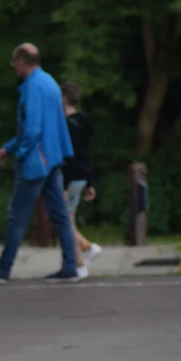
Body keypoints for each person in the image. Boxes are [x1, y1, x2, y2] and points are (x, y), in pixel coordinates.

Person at [0, 43, 81, 284]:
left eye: (15, 61)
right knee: (60, 215)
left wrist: (18, 152)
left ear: (23, 61)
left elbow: (31, 129)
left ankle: (3, 268)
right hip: (53, 158)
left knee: (17, 216)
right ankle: (70, 266)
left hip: (36, 161)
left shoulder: (32, 87)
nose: (13, 66)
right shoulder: (51, 83)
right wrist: (8, 147)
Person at [61, 81, 101, 278]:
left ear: (64, 98)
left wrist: (62, 184)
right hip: (81, 177)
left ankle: (86, 247)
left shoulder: (68, 125)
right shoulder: (83, 122)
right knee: (69, 220)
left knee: (64, 221)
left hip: (71, 177)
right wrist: (90, 182)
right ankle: (79, 265)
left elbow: (69, 157)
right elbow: (86, 154)